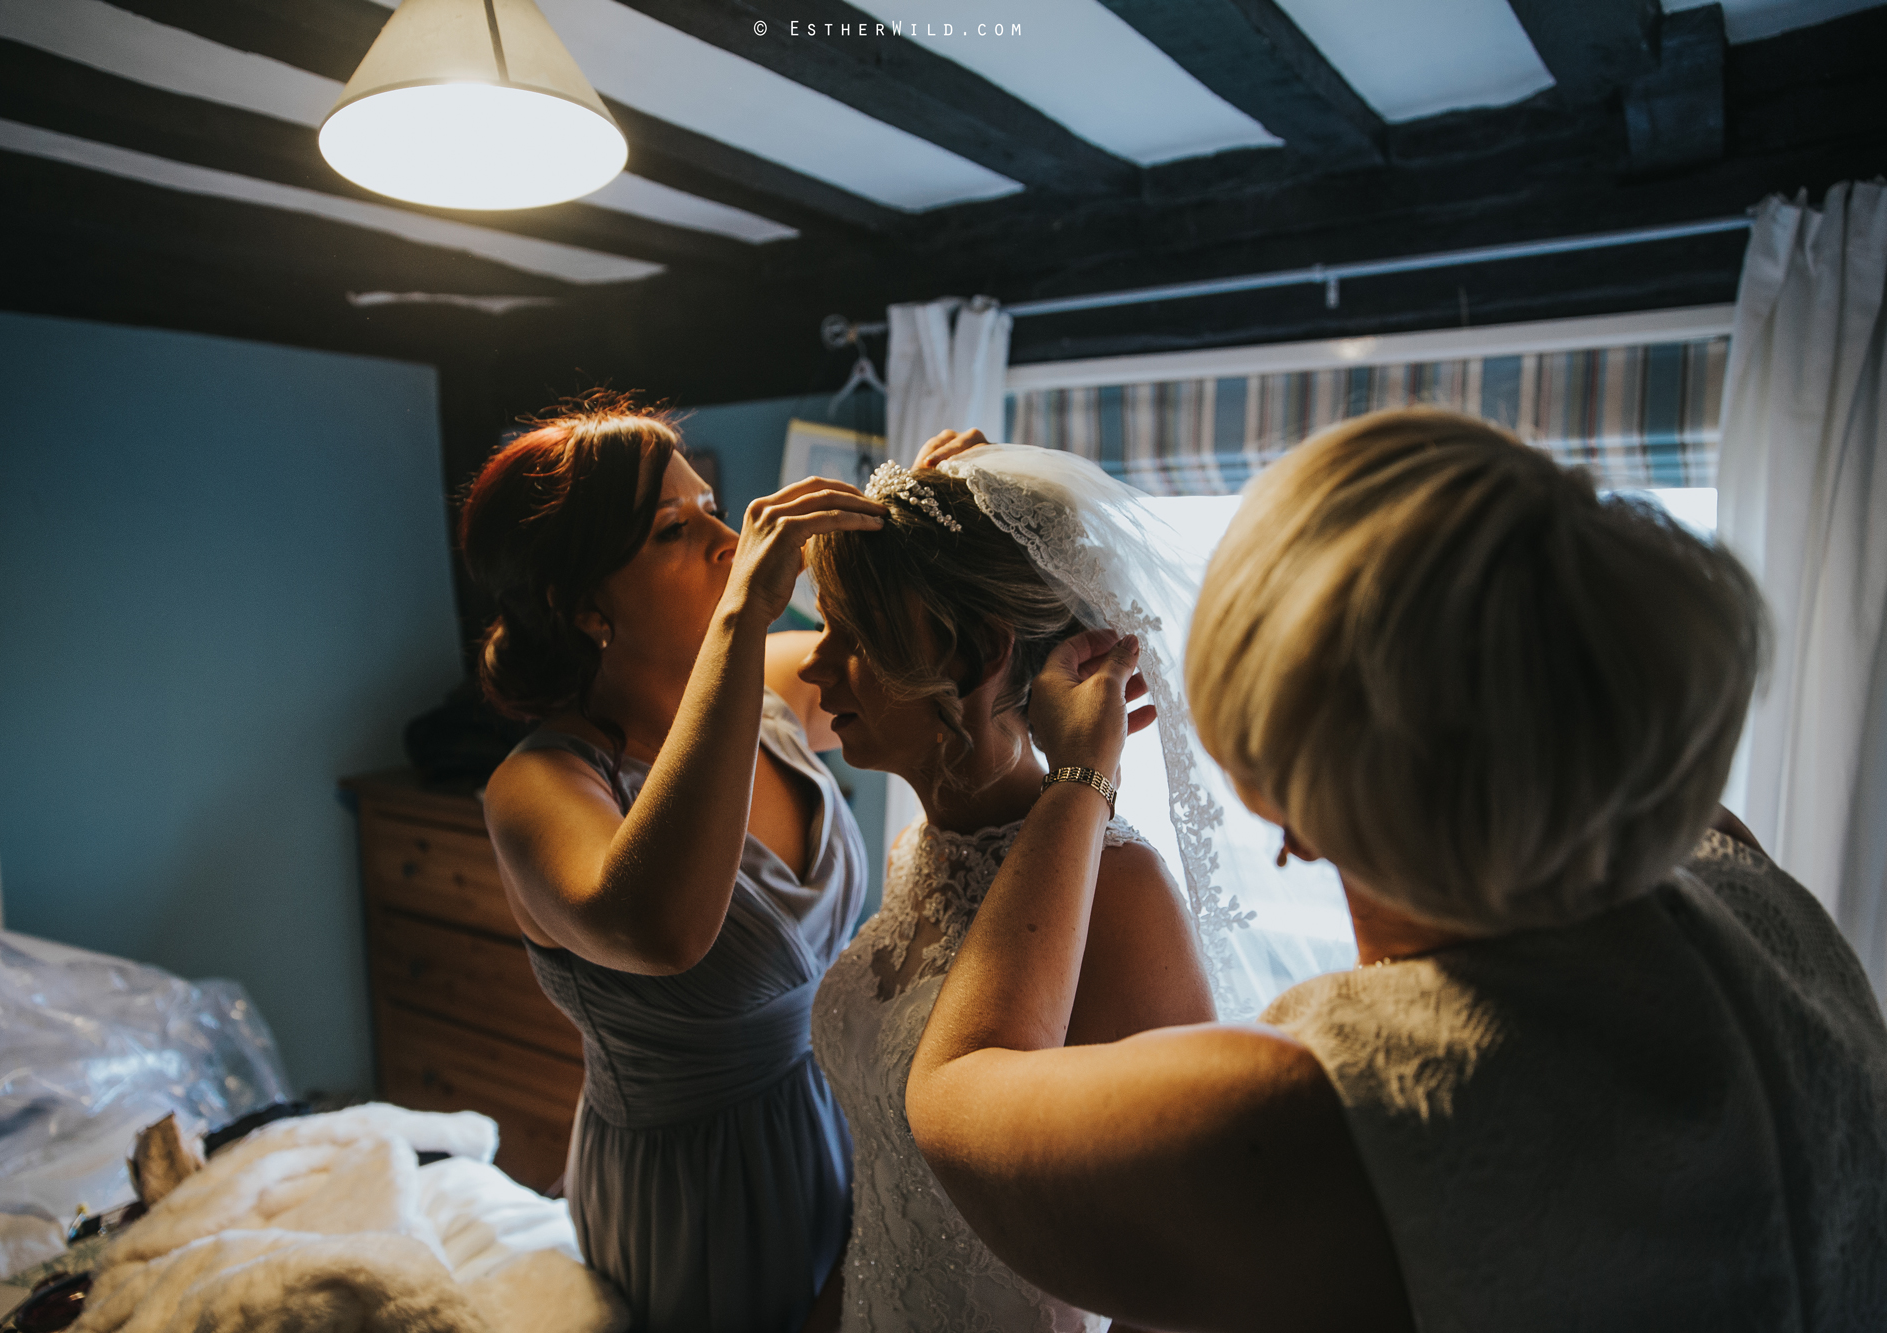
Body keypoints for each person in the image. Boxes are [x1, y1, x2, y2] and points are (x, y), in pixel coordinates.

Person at [903, 408, 1887, 1332]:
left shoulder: (1315, 1112)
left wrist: (1080, 774)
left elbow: (954, 1095)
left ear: (1270, 770)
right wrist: (984, 521)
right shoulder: (1751, 892)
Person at [461, 397, 883, 1333]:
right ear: (584, 608)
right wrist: (740, 619)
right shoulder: (536, 786)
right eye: (672, 529)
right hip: (696, 1196)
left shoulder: (769, 688)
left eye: (713, 509)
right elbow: (661, 927)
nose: (727, 541)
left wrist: (928, 514)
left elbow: (915, 650)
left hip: (828, 1118)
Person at [798, 433, 1216, 1332]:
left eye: (855, 635)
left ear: (982, 651)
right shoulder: (923, 849)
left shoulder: (1119, 892)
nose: (814, 666)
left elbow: (1180, 1261)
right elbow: (888, 1185)